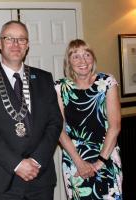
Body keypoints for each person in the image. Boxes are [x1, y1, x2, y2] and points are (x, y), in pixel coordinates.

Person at [0, 20, 63, 200]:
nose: (16, 44)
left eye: (21, 39)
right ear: (0, 43)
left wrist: (36, 160)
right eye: (9, 38)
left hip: (41, 176)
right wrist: (17, 164)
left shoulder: (44, 79)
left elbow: (55, 122)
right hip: (4, 177)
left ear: (27, 45)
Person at [55, 39, 123, 200]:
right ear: (69, 62)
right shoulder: (60, 87)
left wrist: (100, 162)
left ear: (93, 58)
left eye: (87, 55)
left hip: (106, 156)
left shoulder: (107, 82)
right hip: (75, 160)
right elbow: (59, 128)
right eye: (75, 56)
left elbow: (115, 127)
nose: (82, 61)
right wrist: (79, 162)